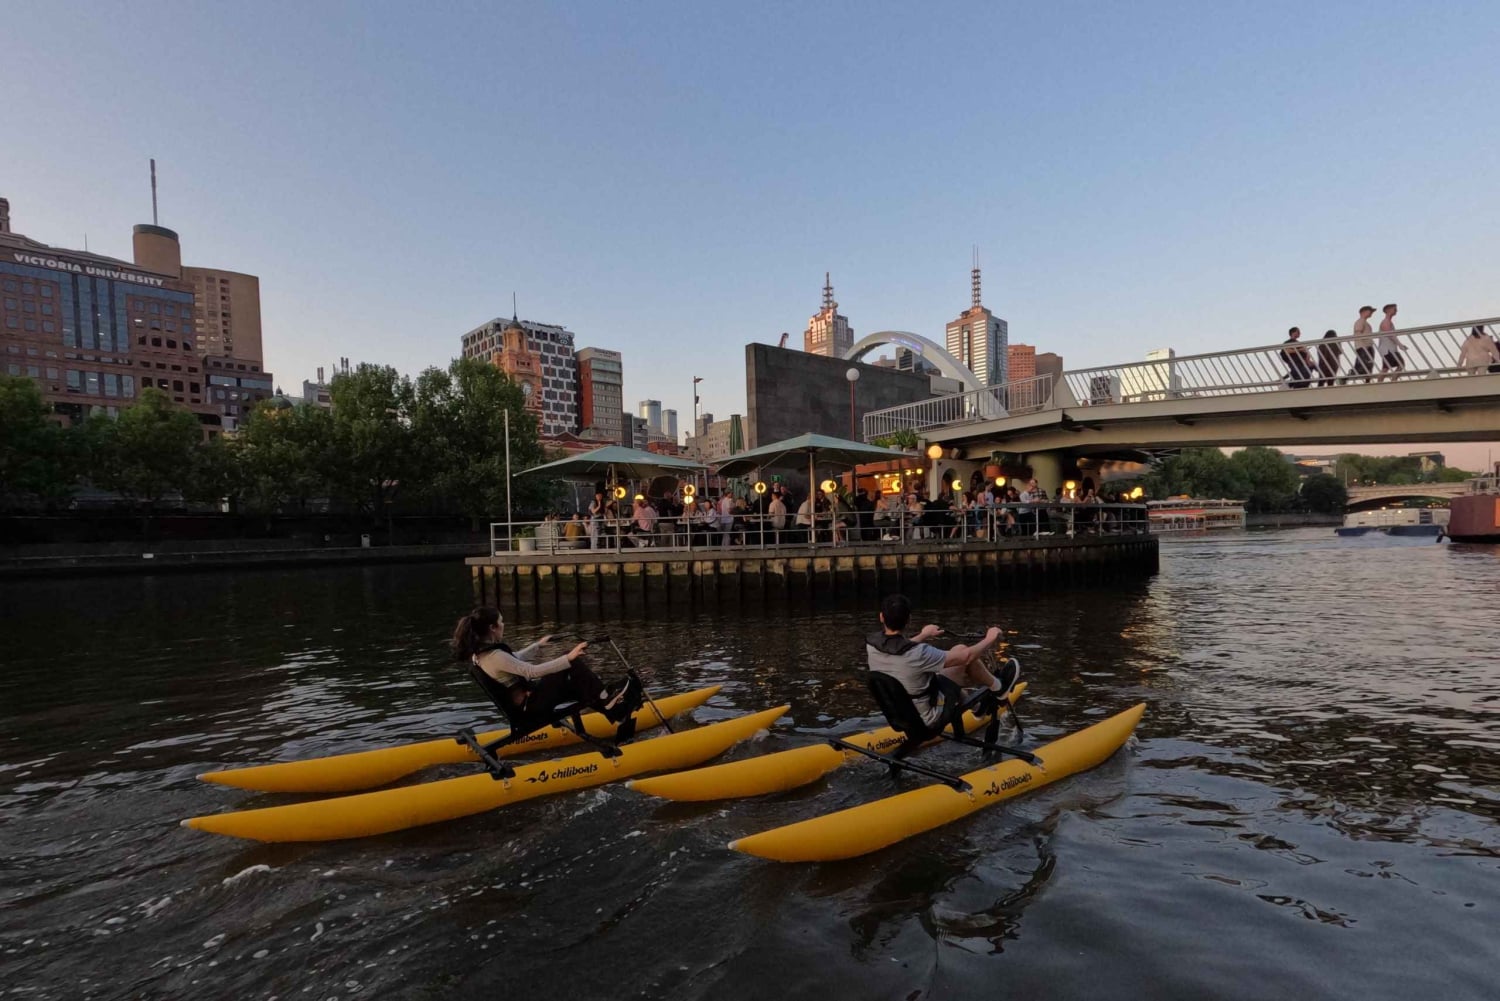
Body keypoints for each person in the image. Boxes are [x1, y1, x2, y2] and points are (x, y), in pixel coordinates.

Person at [451, 607, 642, 731]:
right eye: (501, 622)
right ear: (492, 627)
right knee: (573, 665)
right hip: (531, 709)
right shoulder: (494, 656)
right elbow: (531, 672)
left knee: (578, 684)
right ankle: (609, 703)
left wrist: (538, 645)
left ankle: (612, 708)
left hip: (529, 702)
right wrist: (569, 657)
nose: (504, 625)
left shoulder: (482, 654)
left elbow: (515, 659)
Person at [866, 593, 1019, 727]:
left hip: (899, 714)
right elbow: (966, 657)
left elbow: (898, 648)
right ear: (909, 620)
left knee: (938, 675)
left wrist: (924, 634)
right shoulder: (919, 653)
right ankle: (999, 688)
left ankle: (978, 707)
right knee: (961, 651)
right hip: (928, 717)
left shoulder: (872, 645)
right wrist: (990, 638)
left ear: (881, 617)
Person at [1349, 306, 1377, 383]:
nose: (1371, 313)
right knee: (1362, 366)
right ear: (1364, 311)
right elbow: (1358, 333)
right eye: (1370, 311)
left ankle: (1367, 382)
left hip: (1367, 347)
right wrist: (1363, 347)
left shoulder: (1365, 322)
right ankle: (1346, 378)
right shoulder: (1360, 321)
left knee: (1368, 366)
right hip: (1363, 347)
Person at [1377, 303, 1405, 380]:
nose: (1396, 311)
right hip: (1388, 349)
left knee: (1386, 368)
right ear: (1388, 310)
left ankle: (1381, 383)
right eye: (1395, 309)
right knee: (1400, 364)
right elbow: (1390, 335)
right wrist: (1400, 345)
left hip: (1388, 349)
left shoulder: (1388, 321)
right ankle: (1393, 381)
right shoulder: (1386, 322)